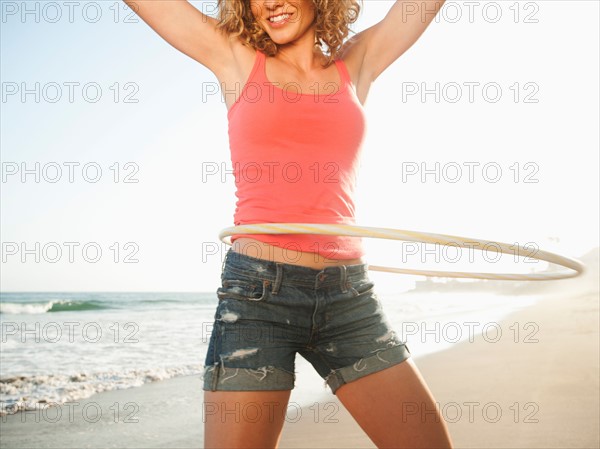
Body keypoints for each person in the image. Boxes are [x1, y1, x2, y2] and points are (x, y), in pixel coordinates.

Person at [125, 0, 453, 447]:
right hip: (259, 298)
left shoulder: (356, 62)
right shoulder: (235, 57)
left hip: (348, 298)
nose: (270, 3)